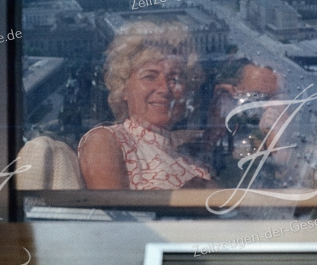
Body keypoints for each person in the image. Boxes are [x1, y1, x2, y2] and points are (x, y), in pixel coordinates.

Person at [78, 21, 282, 190]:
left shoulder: (188, 152)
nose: (164, 89)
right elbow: (114, 221)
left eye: (174, 79)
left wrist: (219, 113)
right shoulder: (107, 140)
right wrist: (191, 195)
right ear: (123, 89)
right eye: (150, 76)